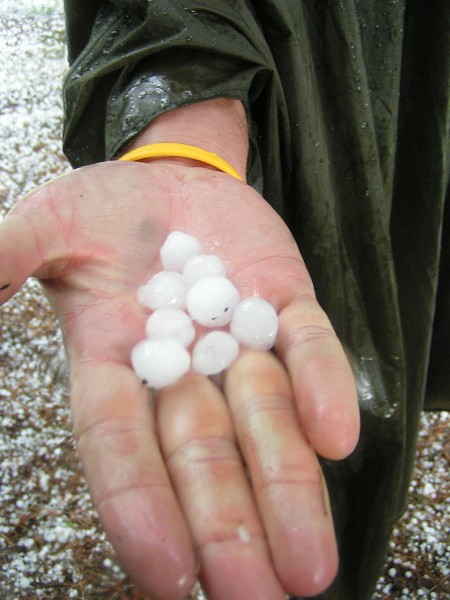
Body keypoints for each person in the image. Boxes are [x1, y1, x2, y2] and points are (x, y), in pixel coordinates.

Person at [0, 1, 448, 598]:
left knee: (364, 357)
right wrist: (187, 125)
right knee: (307, 408)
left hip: (413, 100)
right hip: (272, 133)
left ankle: (353, 538)